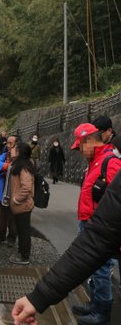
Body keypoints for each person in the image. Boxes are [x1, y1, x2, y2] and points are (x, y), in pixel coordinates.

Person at [11, 170, 121, 325]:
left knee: (102, 273)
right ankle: (97, 307)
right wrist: (39, 297)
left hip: (95, 223)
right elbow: (98, 239)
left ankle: (101, 309)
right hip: (91, 222)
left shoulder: (109, 161)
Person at [67, 123, 121, 324]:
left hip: (100, 227)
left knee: (101, 268)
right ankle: (95, 304)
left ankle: (102, 313)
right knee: (91, 267)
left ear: (89, 141)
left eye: (80, 146)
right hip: (89, 223)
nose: (80, 151)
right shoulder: (96, 160)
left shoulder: (110, 162)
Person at [8, 142, 35, 265]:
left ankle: (24, 257)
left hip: (22, 205)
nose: (12, 149)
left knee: (24, 232)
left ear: (19, 152)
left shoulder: (24, 167)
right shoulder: (19, 164)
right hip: (20, 206)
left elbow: (27, 187)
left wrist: (16, 199)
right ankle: (22, 253)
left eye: (15, 148)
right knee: (21, 230)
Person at [0, 135, 18, 246]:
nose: (7, 145)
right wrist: (8, 166)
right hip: (3, 190)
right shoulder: (5, 155)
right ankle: (0, 237)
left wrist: (6, 167)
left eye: (10, 143)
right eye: (7, 143)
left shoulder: (20, 157)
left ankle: (11, 239)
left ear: (16, 144)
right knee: (2, 216)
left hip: (15, 191)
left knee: (13, 217)